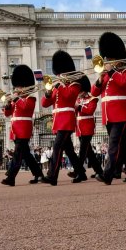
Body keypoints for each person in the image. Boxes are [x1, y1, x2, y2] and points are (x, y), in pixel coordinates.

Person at [91, 32, 126, 185]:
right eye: (107, 59)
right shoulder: (105, 76)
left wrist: (111, 71)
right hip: (108, 115)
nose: (107, 62)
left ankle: (107, 174)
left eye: (110, 59)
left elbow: (125, 84)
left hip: (121, 114)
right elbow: (94, 93)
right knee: (121, 145)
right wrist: (99, 80)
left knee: (114, 145)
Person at [40, 51, 84, 186]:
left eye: (61, 73)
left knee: (57, 147)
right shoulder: (57, 87)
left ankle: (52, 176)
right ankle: (81, 173)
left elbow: (69, 96)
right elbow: (45, 104)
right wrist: (47, 94)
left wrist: (60, 86)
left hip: (66, 120)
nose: (58, 76)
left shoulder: (75, 84)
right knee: (69, 150)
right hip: (58, 120)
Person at [1, 65, 45, 186]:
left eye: (19, 86)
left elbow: (26, 107)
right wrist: (7, 105)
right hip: (15, 129)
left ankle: (11, 177)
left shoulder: (31, 98)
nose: (16, 88)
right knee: (26, 154)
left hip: (24, 129)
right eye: (16, 86)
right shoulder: (17, 98)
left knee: (18, 154)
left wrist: (16, 99)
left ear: (25, 86)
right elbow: (8, 114)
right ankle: (38, 174)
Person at [70, 76, 102, 183]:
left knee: (83, 151)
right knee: (89, 152)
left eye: (80, 91)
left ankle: (78, 171)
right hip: (79, 128)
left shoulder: (92, 98)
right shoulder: (77, 99)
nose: (79, 93)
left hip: (87, 127)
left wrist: (78, 107)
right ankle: (99, 171)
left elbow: (90, 110)